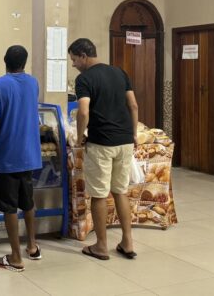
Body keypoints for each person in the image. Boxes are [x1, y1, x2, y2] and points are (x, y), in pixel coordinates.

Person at [68, 38, 139, 261]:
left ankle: (101, 246)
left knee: (98, 195)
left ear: (83, 56)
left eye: (74, 60)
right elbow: (133, 105)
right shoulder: (120, 73)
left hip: (101, 143)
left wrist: (80, 136)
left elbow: (83, 112)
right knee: (120, 191)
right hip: (125, 141)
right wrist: (134, 134)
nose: (73, 65)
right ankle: (127, 242)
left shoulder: (84, 79)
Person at [0, 45, 43, 272]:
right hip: (29, 154)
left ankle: (15, 257)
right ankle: (33, 247)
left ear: (4, 59)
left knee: (9, 207)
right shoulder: (33, 83)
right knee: (28, 202)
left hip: (7, 156)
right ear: (25, 63)